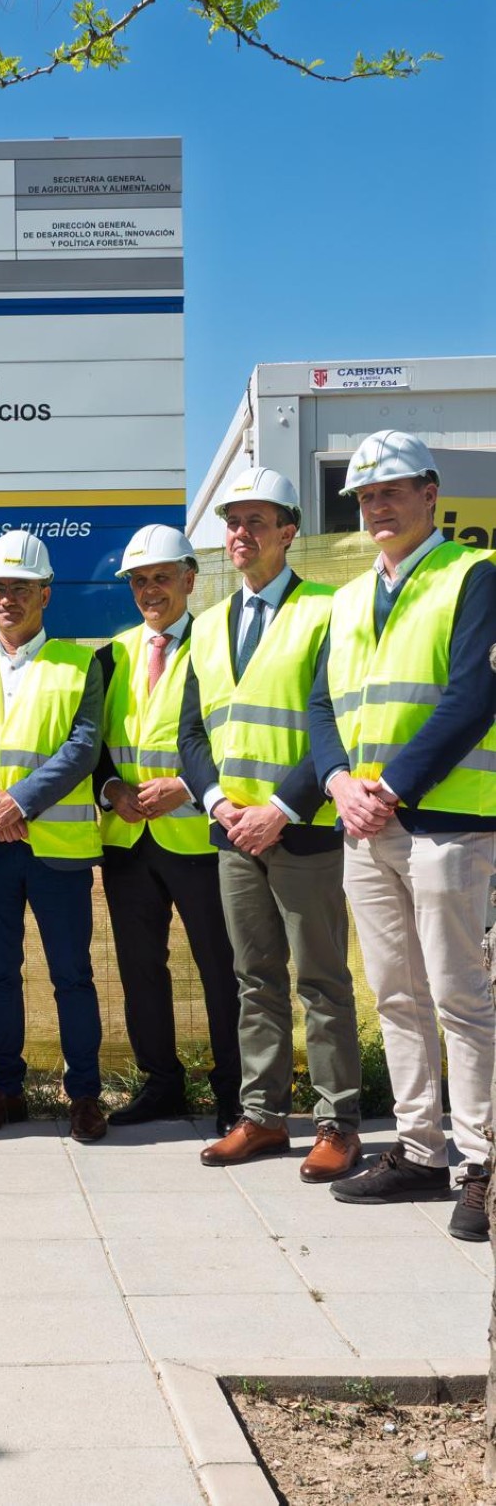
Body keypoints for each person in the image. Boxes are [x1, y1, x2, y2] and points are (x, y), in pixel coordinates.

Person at [309, 431, 496, 1238]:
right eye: (363, 498)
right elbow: (321, 710)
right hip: (366, 823)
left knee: (461, 995)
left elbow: (472, 696)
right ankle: (419, 1147)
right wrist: (338, 782)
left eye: (390, 492)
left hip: (447, 820)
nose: (376, 507)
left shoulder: (473, 575)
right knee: (395, 993)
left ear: (430, 492)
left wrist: (387, 787)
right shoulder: (349, 598)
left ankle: (481, 1162)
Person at [182, 467, 363, 1182]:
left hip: (303, 828)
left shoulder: (326, 609)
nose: (240, 533)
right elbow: (192, 734)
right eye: (232, 521)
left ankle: (337, 1123)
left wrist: (281, 808)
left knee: (320, 980)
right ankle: (261, 1117)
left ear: (289, 531)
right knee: (253, 977)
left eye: (256, 520)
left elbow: (335, 720)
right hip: (234, 834)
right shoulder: (207, 626)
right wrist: (220, 805)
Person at [0, 530, 109, 1144]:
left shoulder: (80, 663)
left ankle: (85, 1096)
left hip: (56, 851)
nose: (6, 598)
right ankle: (5, 1091)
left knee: (72, 974)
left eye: (19, 587)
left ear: (46, 592)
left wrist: (19, 802)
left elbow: (82, 748)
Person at [94, 525, 241, 1132]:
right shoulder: (111, 655)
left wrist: (188, 787)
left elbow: (236, 732)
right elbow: (93, 746)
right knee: (140, 970)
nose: (150, 590)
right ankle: (161, 1085)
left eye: (161, 577)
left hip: (197, 834)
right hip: (129, 841)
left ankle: (235, 1094)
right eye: (139, 580)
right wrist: (112, 791)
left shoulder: (219, 643)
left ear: (189, 577)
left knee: (221, 970)